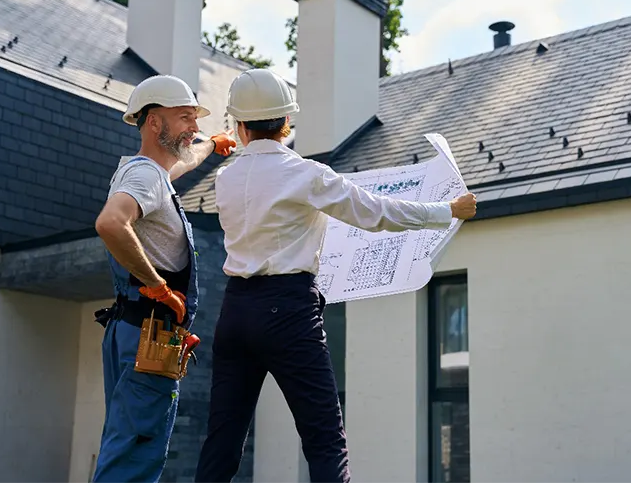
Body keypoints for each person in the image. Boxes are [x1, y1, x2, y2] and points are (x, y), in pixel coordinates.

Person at [193, 68, 477, 484]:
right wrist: (447, 211)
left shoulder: (225, 179)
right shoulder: (307, 174)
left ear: (238, 125)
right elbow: (378, 212)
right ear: (287, 122)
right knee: (324, 439)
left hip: (235, 313)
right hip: (288, 311)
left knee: (222, 442)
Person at [91, 74, 236, 483]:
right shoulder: (146, 177)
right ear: (154, 123)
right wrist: (156, 284)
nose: (194, 127)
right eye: (186, 118)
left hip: (131, 332)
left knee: (126, 443)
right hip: (147, 336)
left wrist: (212, 145)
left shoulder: (148, 173)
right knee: (135, 453)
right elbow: (111, 223)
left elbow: (180, 164)